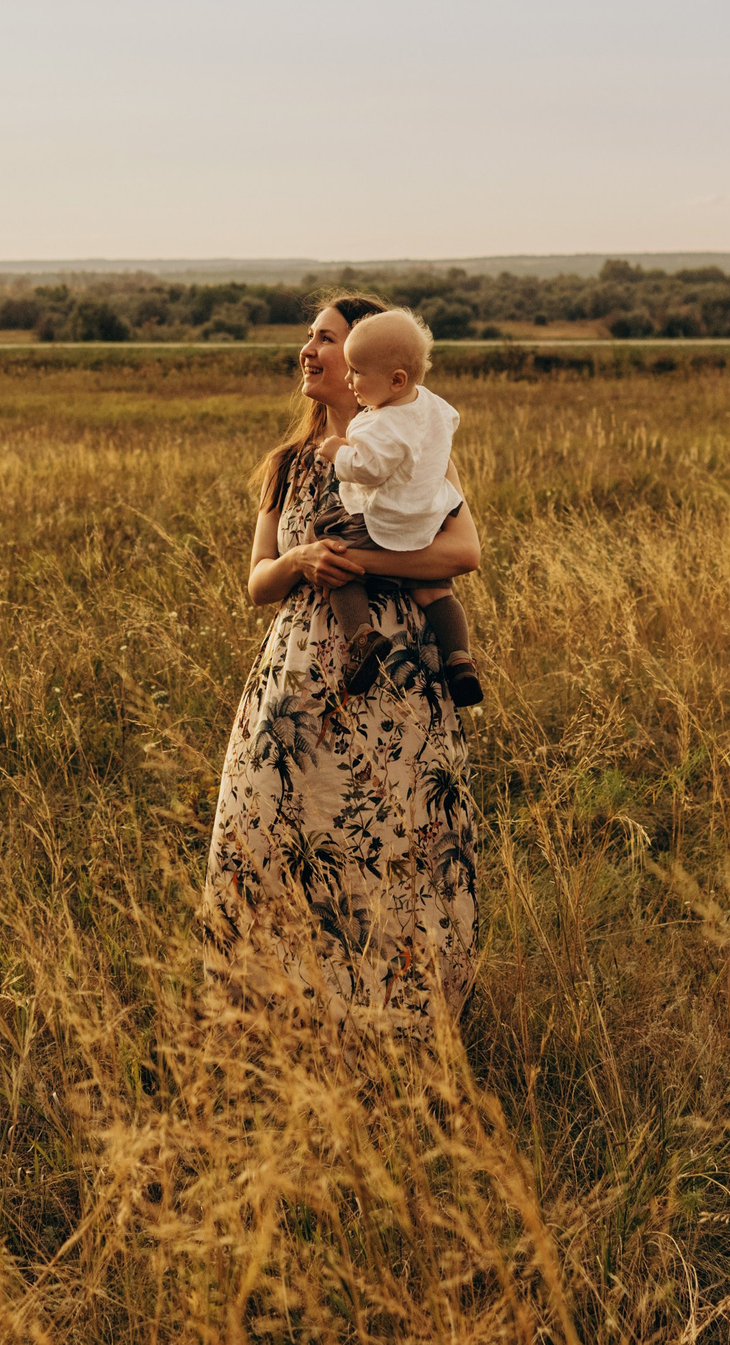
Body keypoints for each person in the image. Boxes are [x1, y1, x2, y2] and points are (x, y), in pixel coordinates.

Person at [204, 295, 483, 1029]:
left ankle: (395, 1019)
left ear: (373, 367)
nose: (308, 350)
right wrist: (302, 559)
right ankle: (277, 1015)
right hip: (295, 687)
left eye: (325, 339)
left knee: (388, 844)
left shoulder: (414, 451)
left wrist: (358, 559)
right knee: (279, 838)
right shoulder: (288, 465)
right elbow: (257, 582)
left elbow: (463, 552)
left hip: (395, 683)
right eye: (310, 336)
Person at [312, 308, 482, 706]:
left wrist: (339, 451)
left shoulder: (381, 423)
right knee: (436, 590)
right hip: (425, 520)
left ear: (396, 380)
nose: (350, 379)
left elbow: (368, 469)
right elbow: (448, 424)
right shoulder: (433, 406)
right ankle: (460, 659)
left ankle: (362, 637)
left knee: (335, 555)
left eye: (356, 371)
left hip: (382, 522)